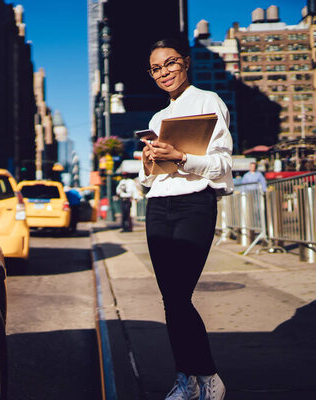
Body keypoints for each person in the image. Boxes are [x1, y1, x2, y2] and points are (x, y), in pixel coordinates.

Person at [138, 38, 233, 400]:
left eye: (170, 63)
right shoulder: (157, 118)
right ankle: (187, 379)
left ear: (186, 63)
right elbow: (151, 179)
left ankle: (207, 377)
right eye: (157, 68)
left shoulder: (209, 101)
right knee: (170, 298)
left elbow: (224, 164)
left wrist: (181, 157)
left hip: (195, 203)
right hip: (159, 207)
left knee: (179, 296)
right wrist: (149, 163)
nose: (164, 72)